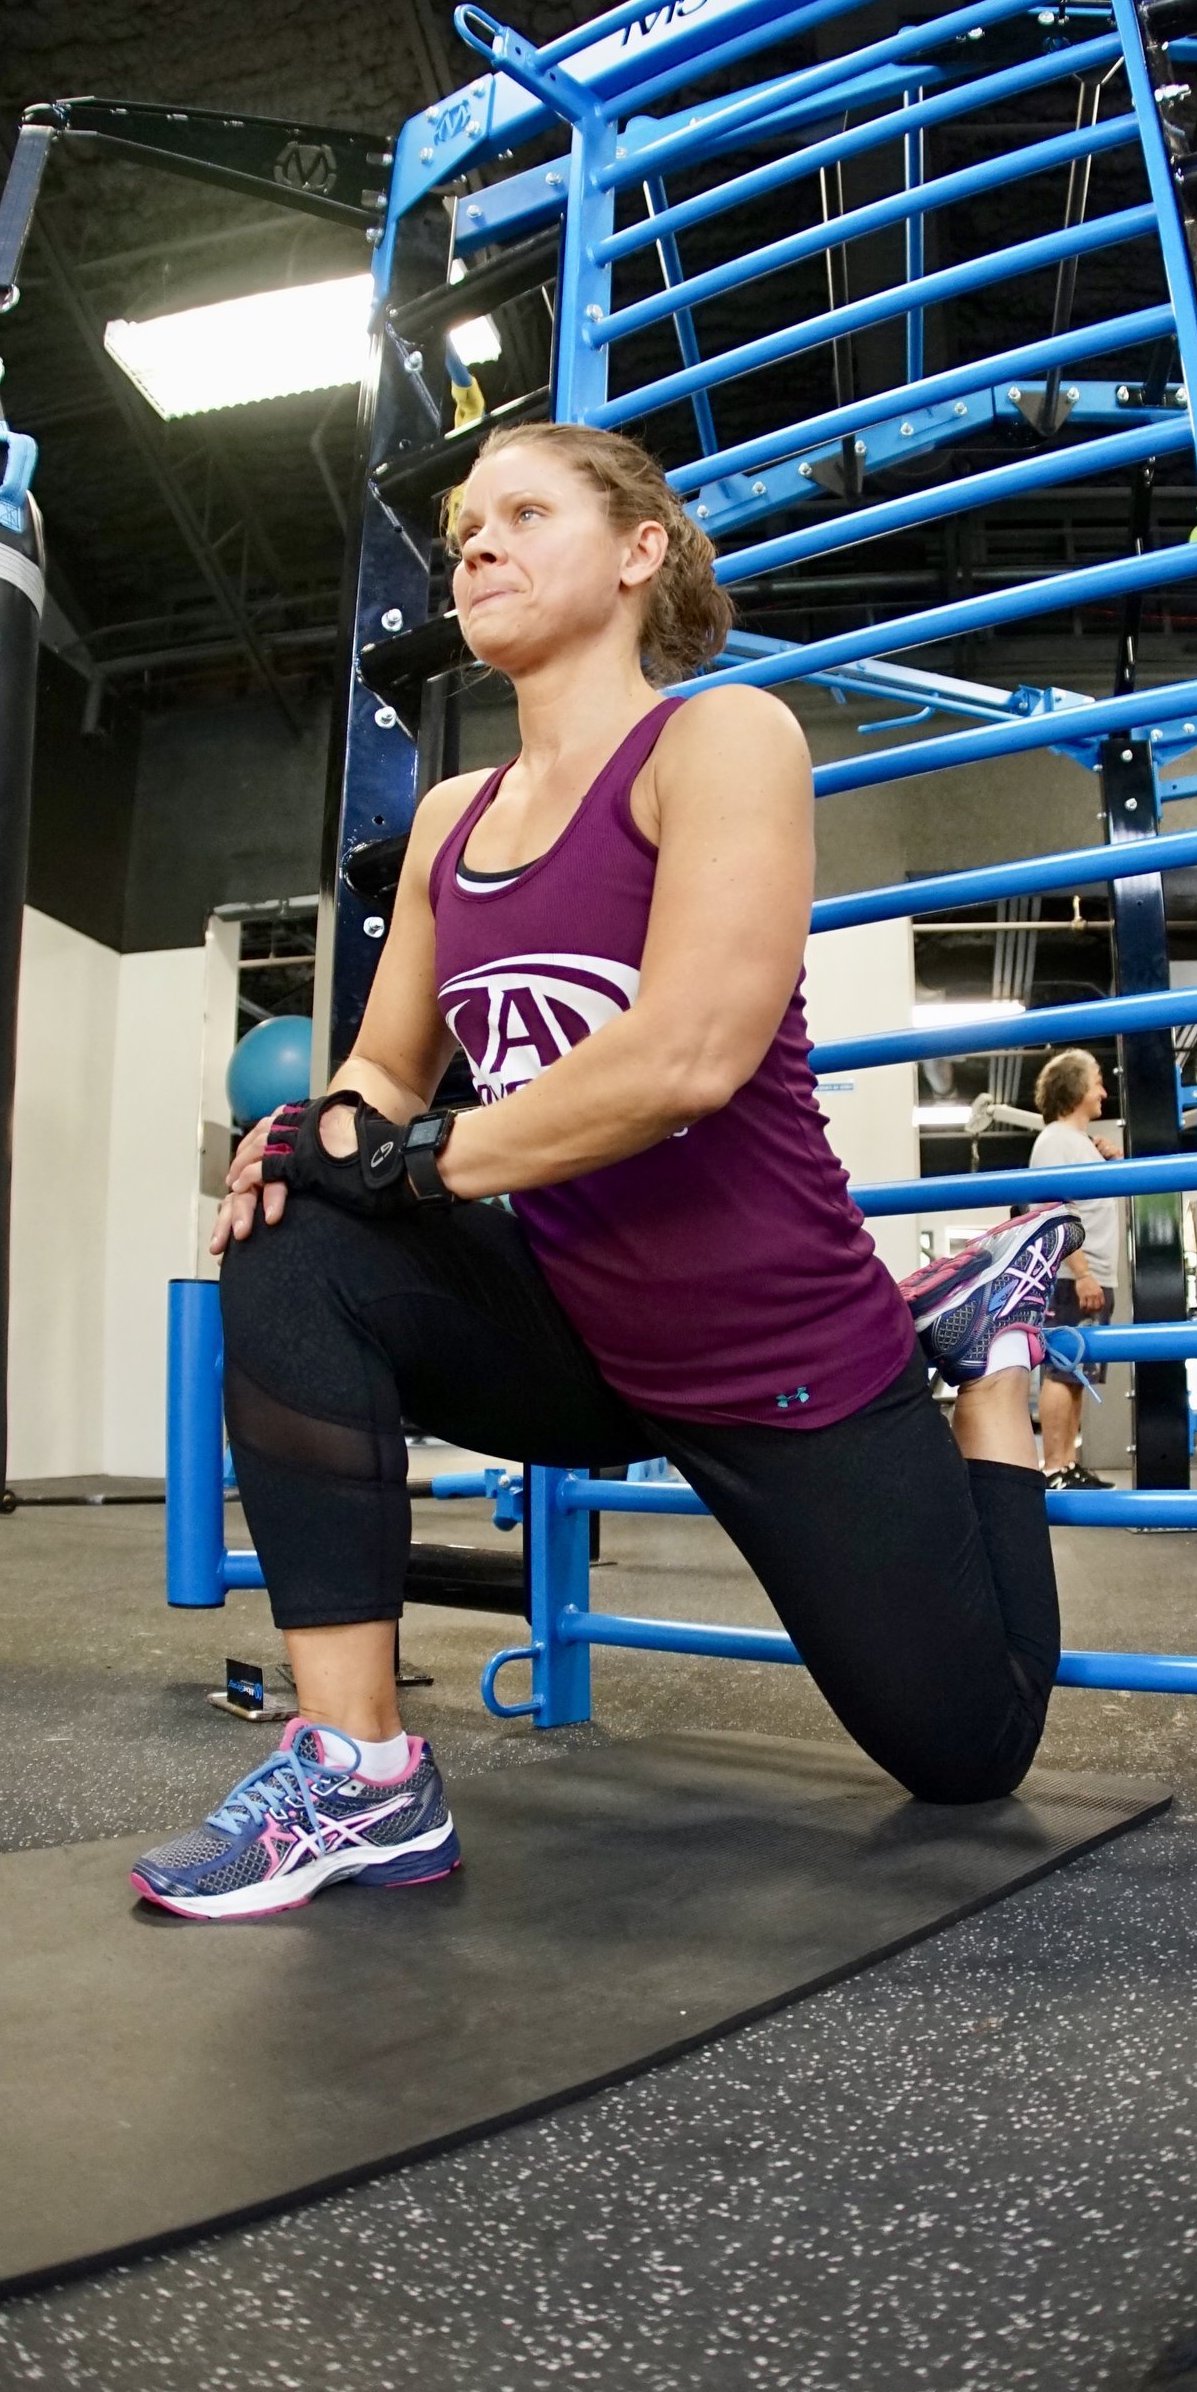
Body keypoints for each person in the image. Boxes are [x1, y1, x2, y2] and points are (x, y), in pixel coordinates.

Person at [130, 423, 1082, 1919]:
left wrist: (410, 1160)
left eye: (522, 512)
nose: (476, 546)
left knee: (971, 1754)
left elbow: (690, 1052)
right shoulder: (450, 821)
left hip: (778, 1354)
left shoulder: (721, 740)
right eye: (462, 526)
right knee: (289, 1227)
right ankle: (357, 1774)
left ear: (642, 552)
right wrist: (317, 1138)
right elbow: (390, 1073)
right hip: (580, 1329)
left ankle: (985, 1368)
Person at [1027, 1049, 1116, 1489]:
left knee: (1077, 1372)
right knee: (1063, 1370)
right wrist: (1081, 1272)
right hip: (1071, 1277)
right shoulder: (1056, 1140)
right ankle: (1053, 1467)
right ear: (1077, 1087)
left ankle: (1067, 1462)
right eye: (1097, 1081)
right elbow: (1050, 1211)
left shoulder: (1081, 1143)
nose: (1103, 1091)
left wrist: (1110, 1161)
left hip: (1092, 1275)